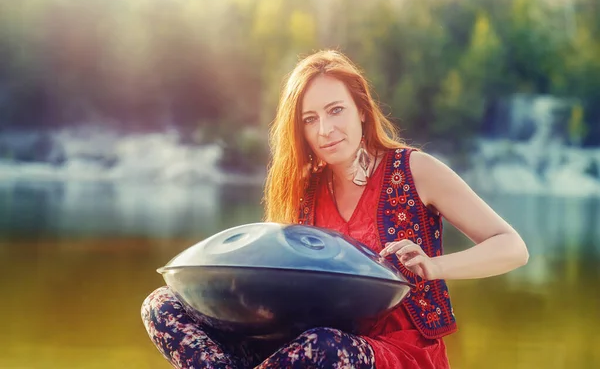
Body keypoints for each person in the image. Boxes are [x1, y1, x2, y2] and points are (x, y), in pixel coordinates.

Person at [141, 49, 529, 368]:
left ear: (361, 110)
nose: (325, 129)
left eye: (336, 110)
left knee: (323, 345)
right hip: (306, 346)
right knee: (162, 305)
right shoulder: (304, 189)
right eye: (310, 119)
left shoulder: (413, 169)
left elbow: (512, 247)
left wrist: (434, 266)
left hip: (393, 352)